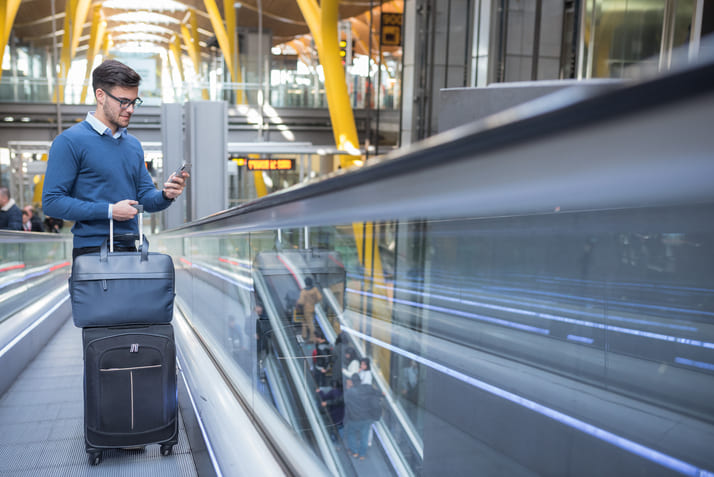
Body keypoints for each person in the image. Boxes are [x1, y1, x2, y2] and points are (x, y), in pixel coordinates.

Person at [42, 59, 188, 259]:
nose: (130, 109)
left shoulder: (133, 145)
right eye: (123, 101)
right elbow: (52, 203)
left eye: (134, 102)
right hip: (91, 252)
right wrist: (109, 211)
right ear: (100, 95)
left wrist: (166, 195)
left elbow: (145, 199)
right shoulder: (69, 141)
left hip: (131, 249)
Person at [343, 373, 382, 460]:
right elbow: (376, 393)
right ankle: (362, 454)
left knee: (351, 434)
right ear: (360, 381)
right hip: (367, 417)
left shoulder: (349, 392)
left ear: (352, 382)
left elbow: (345, 404)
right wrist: (382, 394)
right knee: (364, 436)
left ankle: (355, 452)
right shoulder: (367, 388)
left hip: (354, 418)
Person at [296, 276, 323, 342]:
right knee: (308, 322)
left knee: (307, 323)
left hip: (305, 309)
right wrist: (314, 301)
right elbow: (320, 297)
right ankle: (305, 335)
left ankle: (310, 337)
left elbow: (301, 301)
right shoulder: (315, 289)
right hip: (312, 308)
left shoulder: (304, 291)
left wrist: (297, 302)